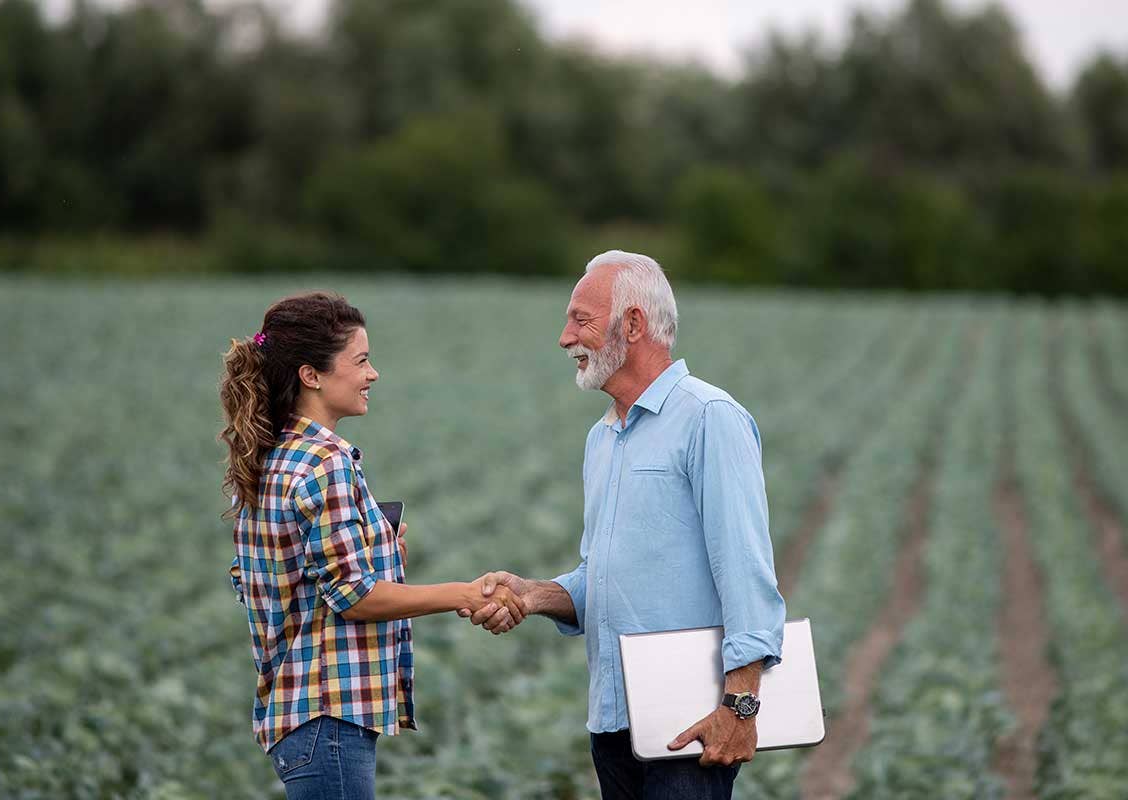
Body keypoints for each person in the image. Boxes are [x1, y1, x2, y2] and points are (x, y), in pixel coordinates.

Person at [465, 251, 786, 800]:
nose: (565, 338)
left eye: (580, 319)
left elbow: (745, 570)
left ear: (633, 324)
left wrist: (740, 706)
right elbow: (605, 579)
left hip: (691, 725)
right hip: (613, 725)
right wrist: (535, 594)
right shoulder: (602, 438)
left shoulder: (709, 418)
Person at [219, 292, 527, 800]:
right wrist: (465, 595)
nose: (373, 373)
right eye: (361, 361)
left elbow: (287, 579)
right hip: (328, 715)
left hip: (295, 713)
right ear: (311, 375)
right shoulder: (326, 461)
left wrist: (382, 553)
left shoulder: (273, 456)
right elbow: (352, 596)